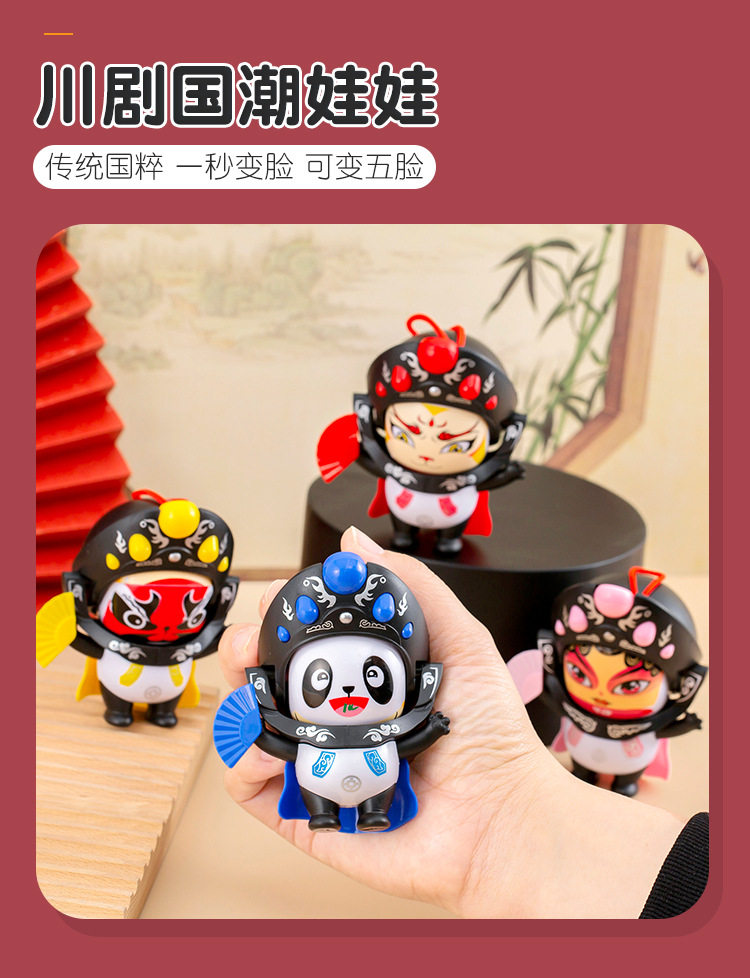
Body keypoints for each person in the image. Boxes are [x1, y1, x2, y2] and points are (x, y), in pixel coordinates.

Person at [218, 526, 708, 919]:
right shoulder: (306, 724)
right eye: (322, 680)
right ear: (279, 685)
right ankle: (323, 812)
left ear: (415, 681)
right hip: (325, 767)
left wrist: (449, 746)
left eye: (373, 676)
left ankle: (374, 812)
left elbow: (417, 736)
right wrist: (263, 734)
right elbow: (284, 745)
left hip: (378, 767)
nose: (350, 694)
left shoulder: (396, 720)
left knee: (378, 785)